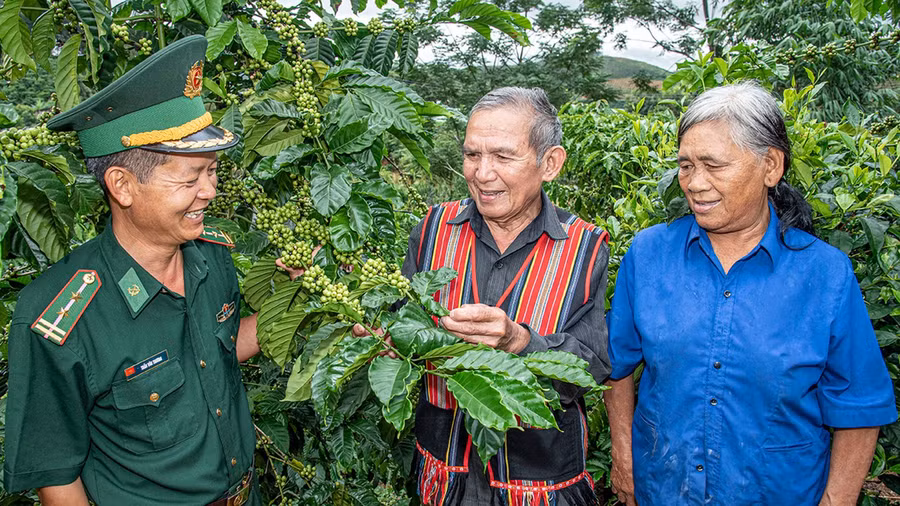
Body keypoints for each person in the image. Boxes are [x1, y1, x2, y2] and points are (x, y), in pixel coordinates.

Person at [2, 35, 279, 505]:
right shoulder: (59, 320)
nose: (209, 191)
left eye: (212, 171)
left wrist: (304, 309)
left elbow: (218, 350)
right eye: (190, 178)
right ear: (122, 185)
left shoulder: (211, 256)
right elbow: (58, 480)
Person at [604, 81, 897, 505]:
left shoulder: (825, 274)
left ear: (770, 166)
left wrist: (836, 500)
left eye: (713, 165)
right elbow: (618, 365)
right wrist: (625, 461)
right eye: (685, 165)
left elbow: (860, 405)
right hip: (664, 491)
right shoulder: (649, 255)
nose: (695, 183)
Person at [396, 87, 611, 505]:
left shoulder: (583, 247)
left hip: (538, 483)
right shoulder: (433, 228)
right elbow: (402, 316)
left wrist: (520, 341)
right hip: (444, 477)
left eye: (502, 156)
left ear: (550, 163)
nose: (481, 173)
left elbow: (594, 362)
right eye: (472, 155)